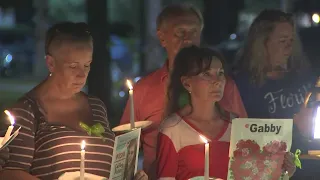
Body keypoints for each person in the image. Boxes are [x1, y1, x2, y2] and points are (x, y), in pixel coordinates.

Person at [0, 22, 147, 180]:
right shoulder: (26, 111)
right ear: (51, 63)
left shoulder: (96, 107)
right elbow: (10, 174)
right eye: (73, 66)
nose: (82, 75)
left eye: (86, 65)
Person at [120, 4, 247, 176]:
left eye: (194, 32)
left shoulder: (225, 86)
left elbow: (246, 139)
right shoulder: (144, 90)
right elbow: (125, 147)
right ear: (162, 37)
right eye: (180, 32)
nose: (187, 39)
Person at [157, 46, 296, 180]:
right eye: (206, 74)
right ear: (187, 83)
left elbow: (255, 174)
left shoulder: (237, 126)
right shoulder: (172, 130)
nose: (217, 81)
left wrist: (283, 170)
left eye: (220, 73)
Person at [232, 9, 318, 179]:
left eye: (291, 41)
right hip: (269, 172)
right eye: (282, 41)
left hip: (309, 167)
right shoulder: (242, 85)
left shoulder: (304, 76)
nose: (289, 47)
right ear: (263, 44)